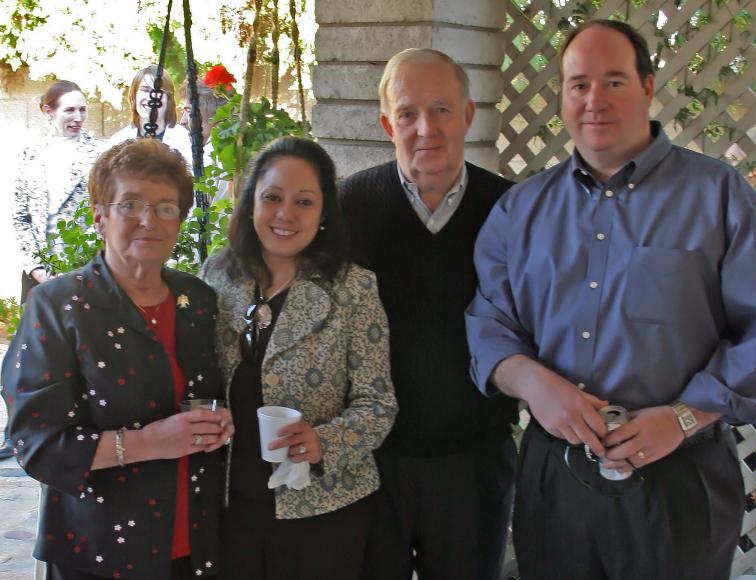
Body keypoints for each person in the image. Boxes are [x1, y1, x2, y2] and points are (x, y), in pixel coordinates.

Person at [466, 20, 756, 580]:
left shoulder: (718, 197)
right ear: (563, 98)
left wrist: (683, 416)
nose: (594, 100)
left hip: (679, 478)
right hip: (557, 480)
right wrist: (529, 381)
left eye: (614, 81)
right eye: (578, 84)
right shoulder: (519, 211)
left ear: (648, 87)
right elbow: (488, 320)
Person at [1, 138, 235, 579]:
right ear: (99, 215)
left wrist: (223, 422)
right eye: (130, 204)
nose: (149, 220)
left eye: (166, 207)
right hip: (100, 552)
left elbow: (216, 397)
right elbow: (37, 445)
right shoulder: (59, 304)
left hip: (197, 545)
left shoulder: (198, 300)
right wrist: (149, 442)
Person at [339, 49, 518, 580]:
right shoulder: (346, 208)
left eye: (441, 110)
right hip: (373, 462)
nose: (425, 128)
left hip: (477, 460)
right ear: (386, 123)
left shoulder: (512, 210)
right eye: (409, 113)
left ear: (468, 115)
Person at [200, 136, 397, 579]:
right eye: (272, 198)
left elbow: (378, 406)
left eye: (304, 202)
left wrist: (323, 442)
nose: (285, 214)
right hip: (231, 508)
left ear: (324, 213)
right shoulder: (217, 276)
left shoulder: (354, 289)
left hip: (322, 513)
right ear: (250, 202)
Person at [12, 80, 103, 297]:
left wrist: (82, 266)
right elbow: (20, 217)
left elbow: (106, 212)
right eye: (69, 110)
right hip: (38, 276)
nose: (78, 117)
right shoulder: (29, 154)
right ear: (48, 112)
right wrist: (37, 269)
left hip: (84, 272)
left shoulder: (100, 154)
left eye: (83, 110)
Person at [108, 65, 193, 166]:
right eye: (145, 90)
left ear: (169, 99)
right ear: (134, 95)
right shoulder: (117, 141)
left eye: (159, 91)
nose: (151, 98)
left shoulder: (185, 140)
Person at [178, 80, 230, 203]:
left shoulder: (209, 157)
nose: (182, 121)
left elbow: (194, 217)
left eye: (189, 111)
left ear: (214, 116)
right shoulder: (232, 149)